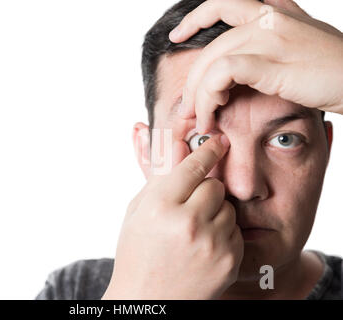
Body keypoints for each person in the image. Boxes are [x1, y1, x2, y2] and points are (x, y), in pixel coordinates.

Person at [36, 0, 343, 300]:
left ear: (326, 148)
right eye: (202, 139)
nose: (245, 187)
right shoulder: (76, 291)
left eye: (285, 139)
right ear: (147, 152)